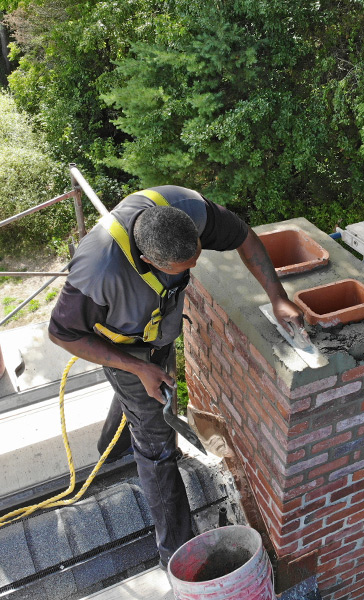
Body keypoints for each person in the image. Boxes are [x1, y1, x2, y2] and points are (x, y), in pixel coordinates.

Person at [48, 185, 305, 567]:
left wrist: (277, 296)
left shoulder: (189, 210)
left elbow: (245, 238)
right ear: (149, 259)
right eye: (183, 267)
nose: (196, 265)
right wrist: (138, 367)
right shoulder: (98, 271)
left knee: (139, 404)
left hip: (157, 335)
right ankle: (177, 551)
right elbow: (61, 333)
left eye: (197, 253)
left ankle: (111, 446)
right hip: (126, 348)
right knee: (157, 447)